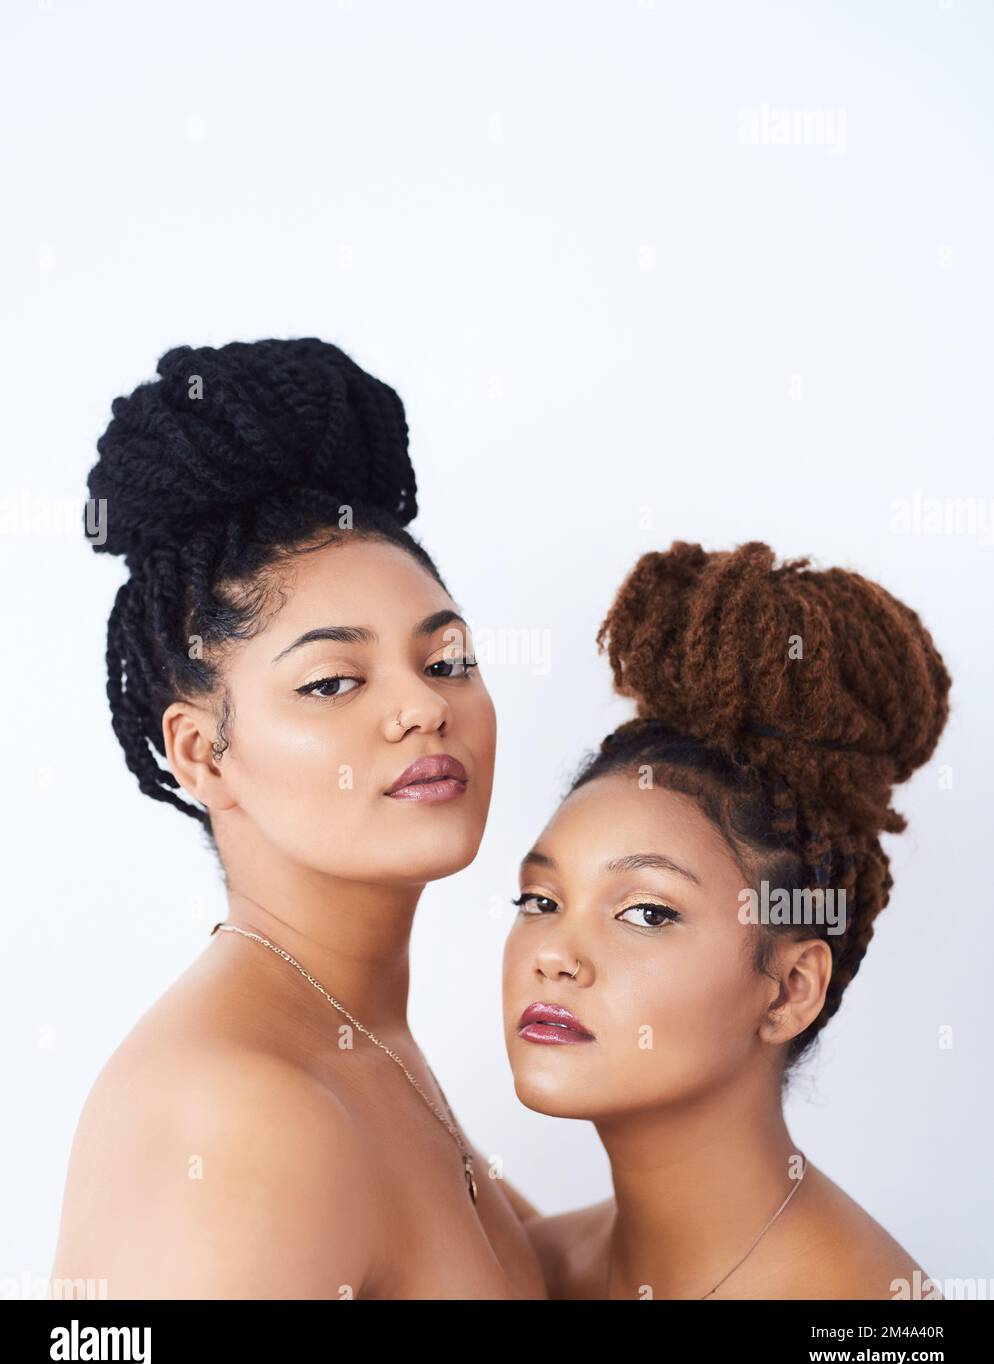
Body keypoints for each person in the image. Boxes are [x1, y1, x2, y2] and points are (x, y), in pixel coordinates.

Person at [52, 337, 546, 1299]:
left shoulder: (361, 1042)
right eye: (332, 681)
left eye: (446, 661)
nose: (421, 708)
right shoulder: (238, 1115)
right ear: (202, 752)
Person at [503, 540, 950, 1300]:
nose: (554, 956)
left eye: (645, 911)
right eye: (541, 902)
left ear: (789, 990)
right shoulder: (535, 1269)